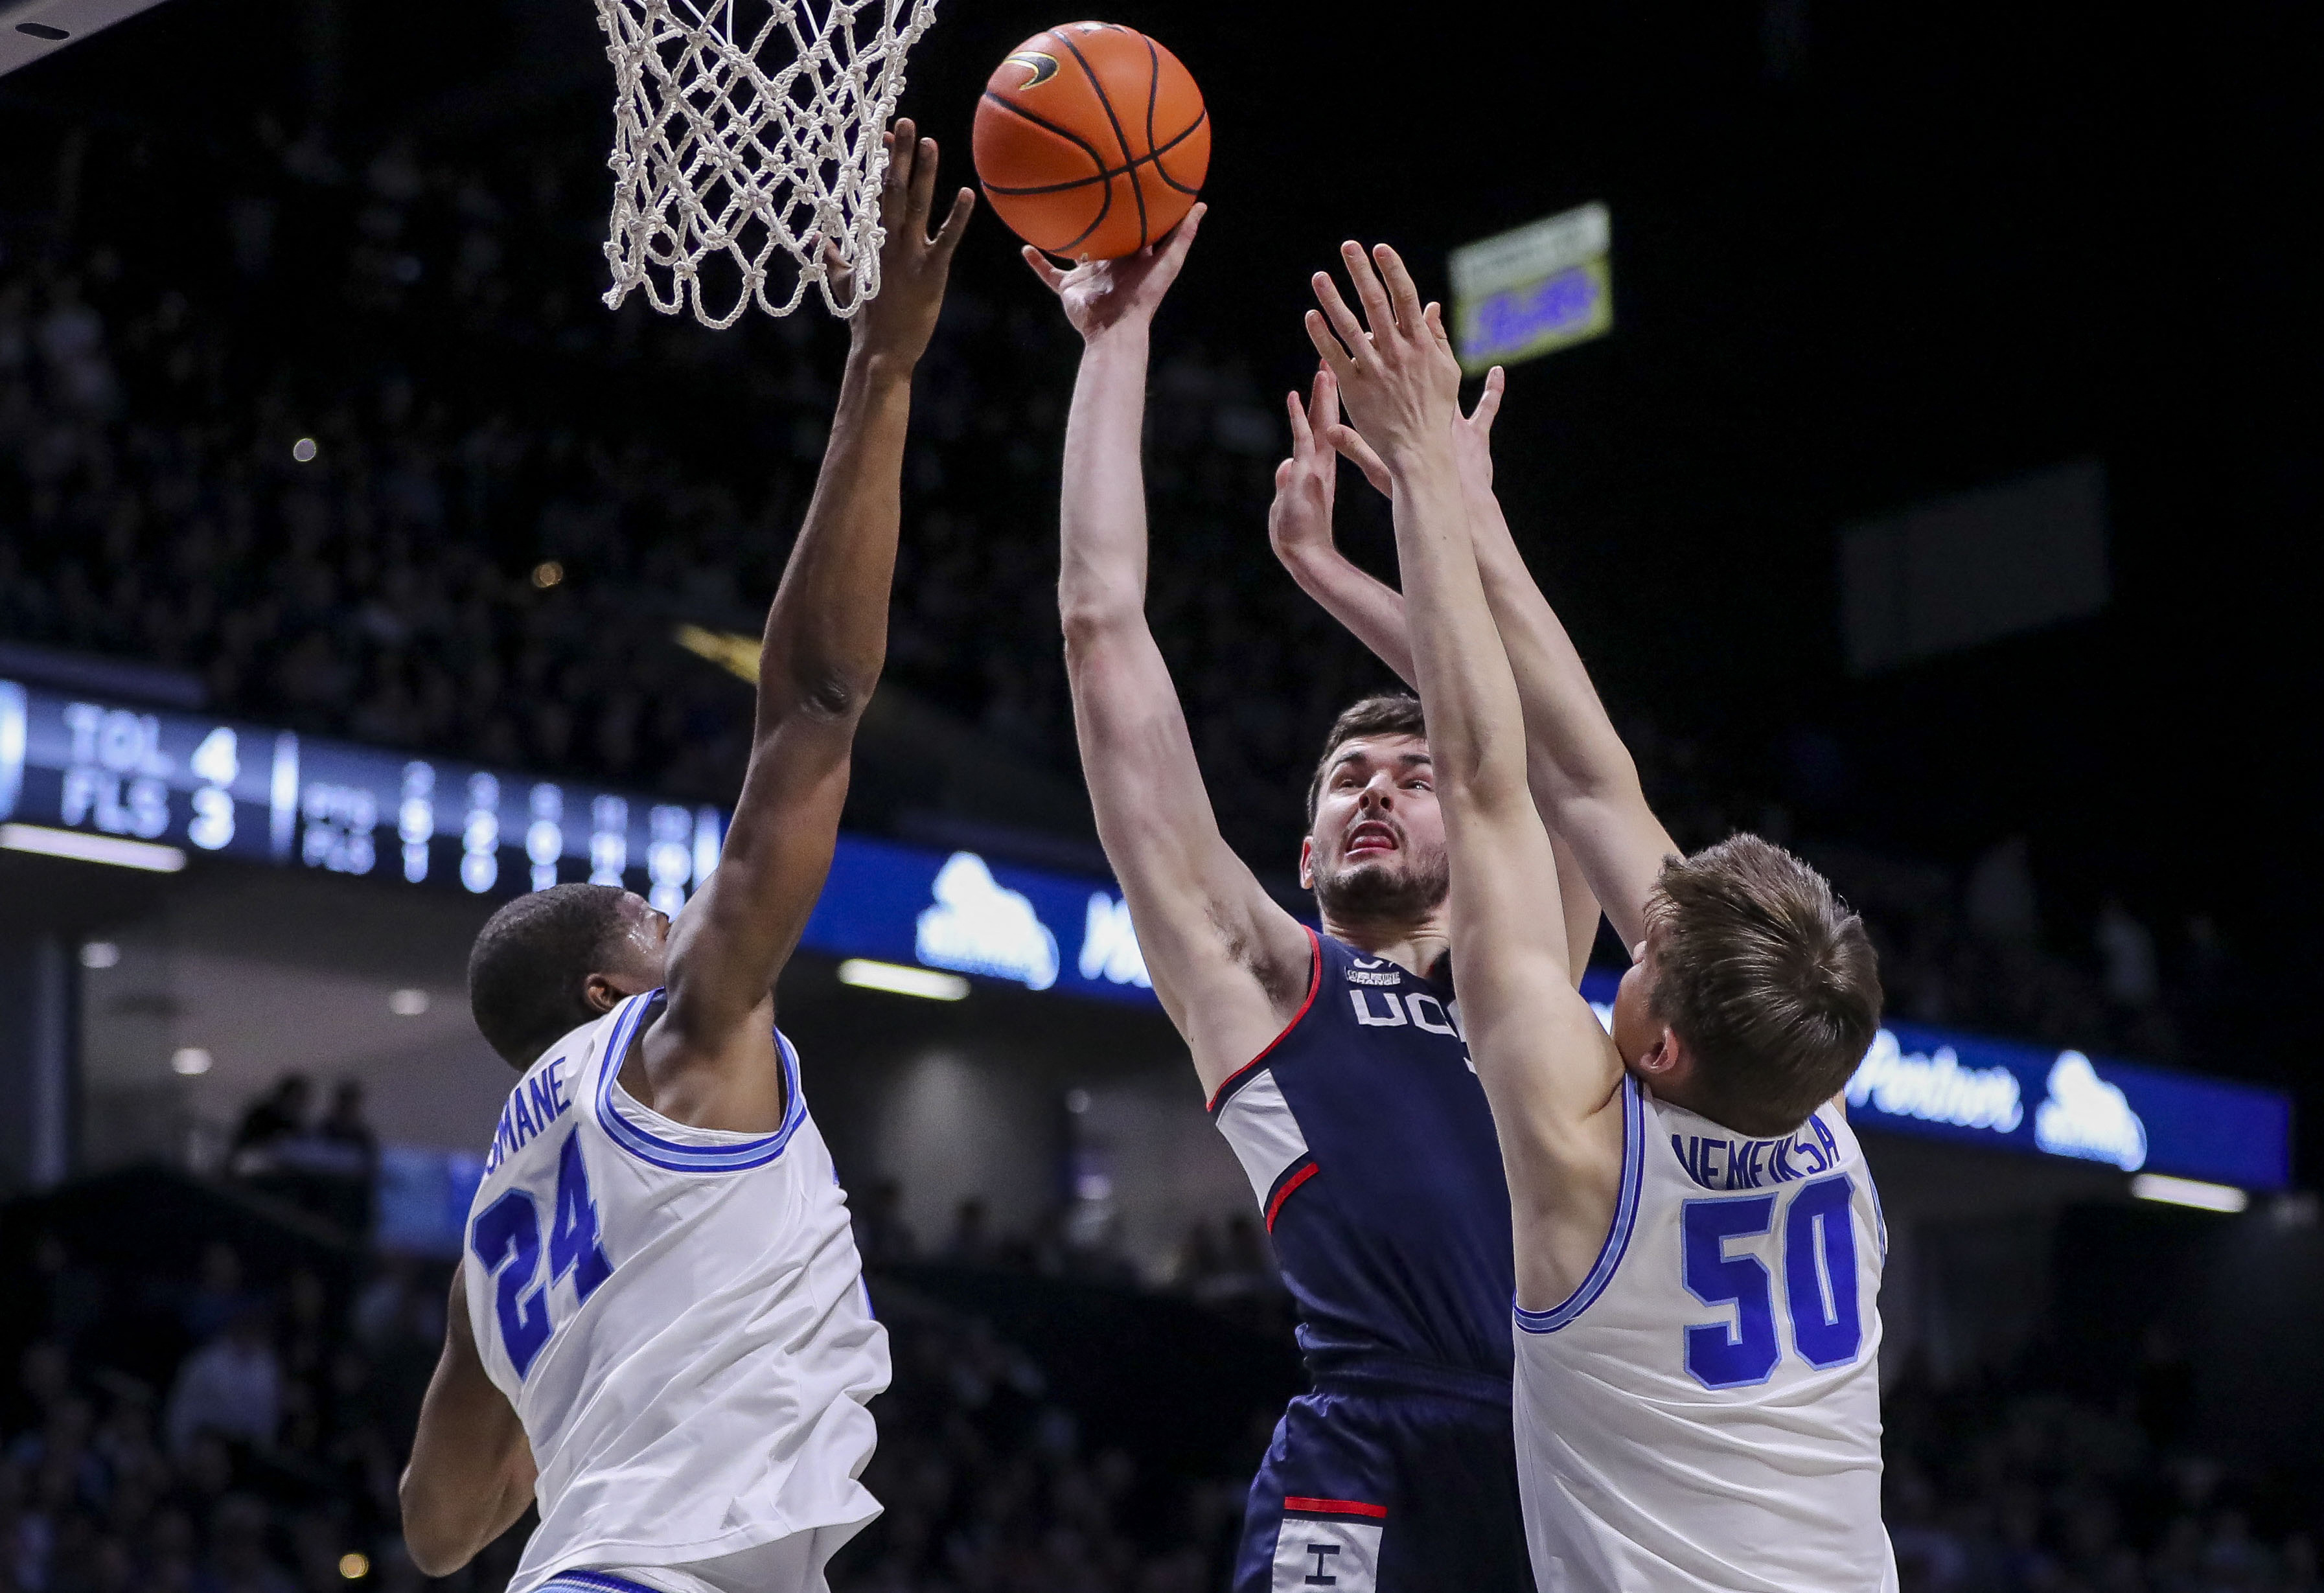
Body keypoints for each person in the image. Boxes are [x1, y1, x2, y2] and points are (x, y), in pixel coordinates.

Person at [396, 122, 972, 1593]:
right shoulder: (673, 1045)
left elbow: (439, 1524)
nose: (696, 926)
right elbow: (816, 708)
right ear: (608, 991)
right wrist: (883, 372)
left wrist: (571, 1398)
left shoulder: (492, 1232)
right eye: (662, 922)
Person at [1301, 239, 1891, 1590]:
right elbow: (1581, 779)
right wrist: (1460, 501)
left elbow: (1498, 782)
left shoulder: (1581, 1156)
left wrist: (1425, 510)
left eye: (1649, 953)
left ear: (1663, 1044)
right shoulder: (1807, 1083)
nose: (1640, 922)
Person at [1029, 209, 1600, 1593]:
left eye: (1413, 775)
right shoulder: (1267, 980)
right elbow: (1104, 627)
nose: (1377, 794)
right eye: (1347, 779)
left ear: (1472, 840)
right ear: (1303, 858)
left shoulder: (1528, 981)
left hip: (1572, 1464)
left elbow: (1546, 750)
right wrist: (1118, 344)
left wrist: (1342, 578)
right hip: (1370, 1455)